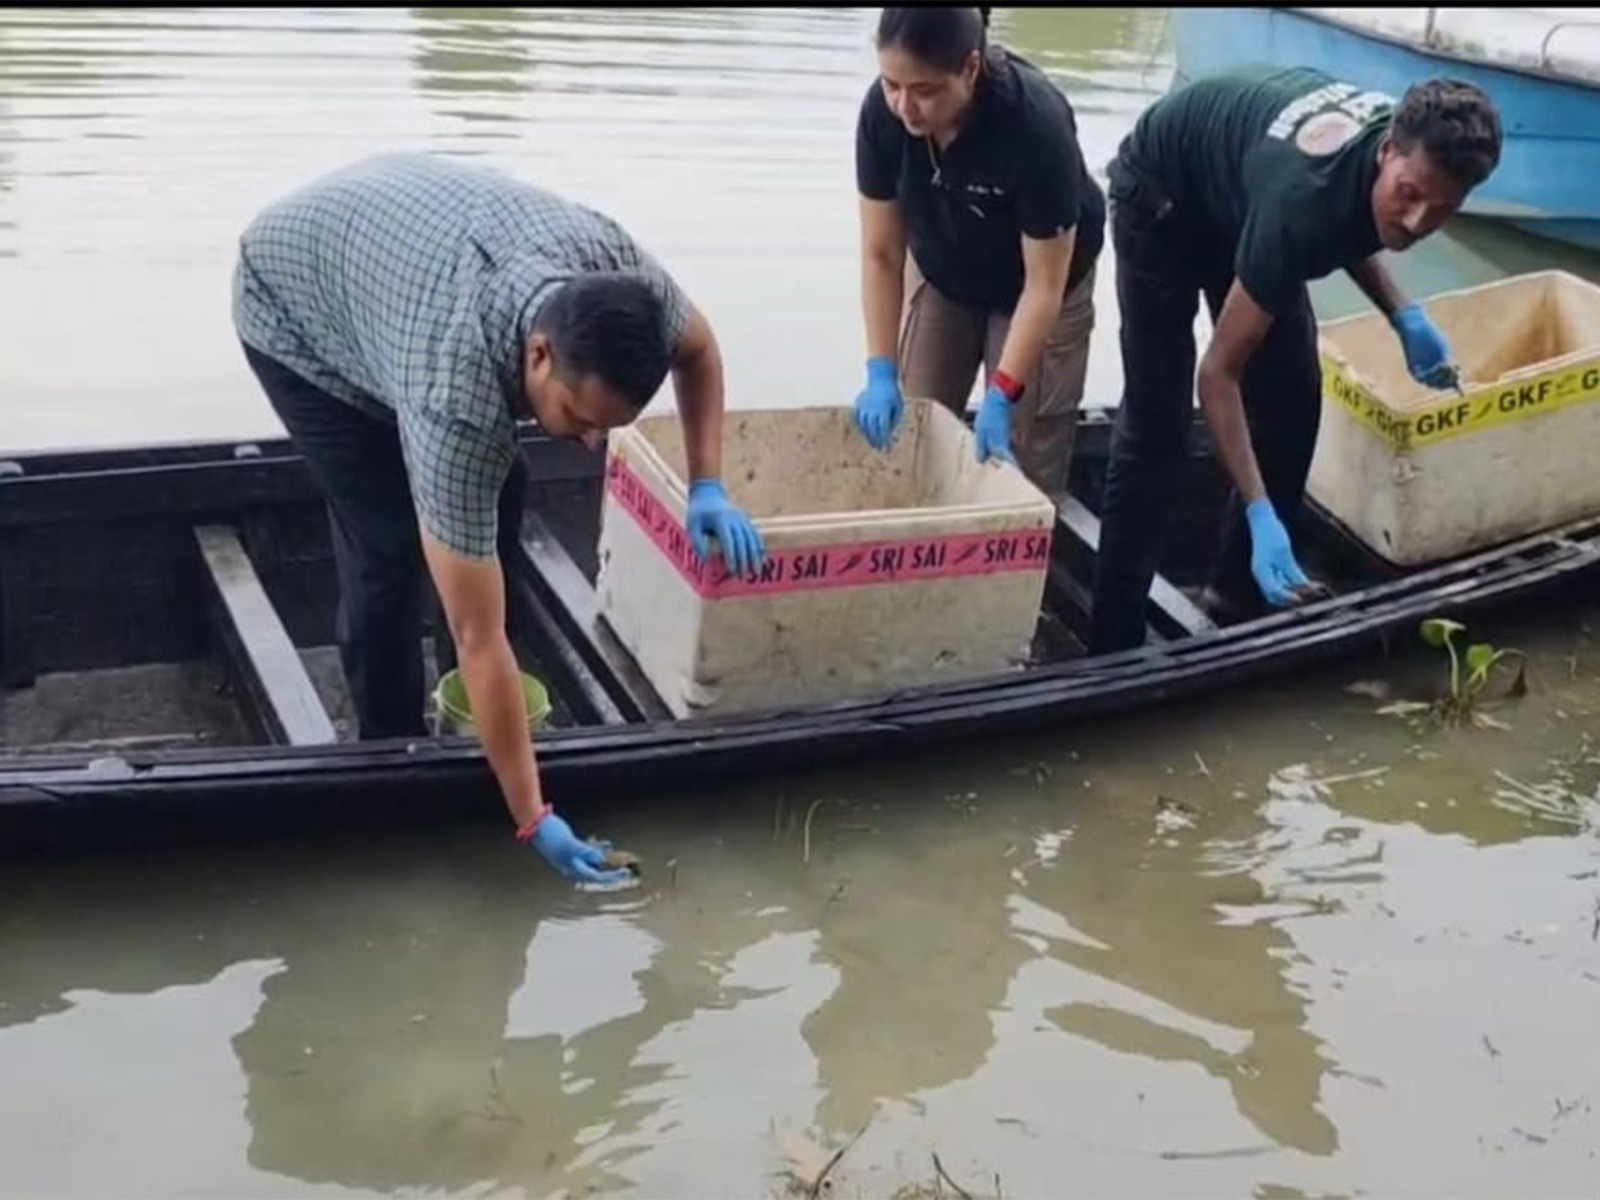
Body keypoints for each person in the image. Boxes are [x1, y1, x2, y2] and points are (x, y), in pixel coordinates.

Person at [231, 153, 765, 885]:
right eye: (578, 416)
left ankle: (477, 716)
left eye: (607, 427)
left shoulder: (619, 276)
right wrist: (533, 816)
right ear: (540, 354)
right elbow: (476, 634)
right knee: (385, 541)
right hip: (293, 299)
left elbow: (699, 351)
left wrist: (709, 483)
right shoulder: (458, 401)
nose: (586, 443)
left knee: (503, 484)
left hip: (404, 256)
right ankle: (393, 747)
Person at [1087, 67, 1502, 655]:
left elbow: (1350, 220)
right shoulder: (1300, 202)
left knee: (1294, 397)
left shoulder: (1395, 155)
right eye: (1410, 196)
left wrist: (1402, 314)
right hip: (1161, 194)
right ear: (1386, 151)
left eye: (1440, 212)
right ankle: (1111, 639)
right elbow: (1218, 374)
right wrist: (1260, 511)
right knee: (1159, 419)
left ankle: (1236, 597)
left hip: (1245, 192)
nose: (1415, 222)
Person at [851, 6, 1104, 497]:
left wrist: (1002, 393)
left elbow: (1044, 284)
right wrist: (879, 368)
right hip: (945, 268)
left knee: (1020, 454)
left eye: (925, 90)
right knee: (915, 430)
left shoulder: (1034, 125)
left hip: (1039, 285)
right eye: (891, 84)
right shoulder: (880, 117)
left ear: (969, 68)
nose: (905, 106)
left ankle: (1022, 566)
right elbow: (881, 253)